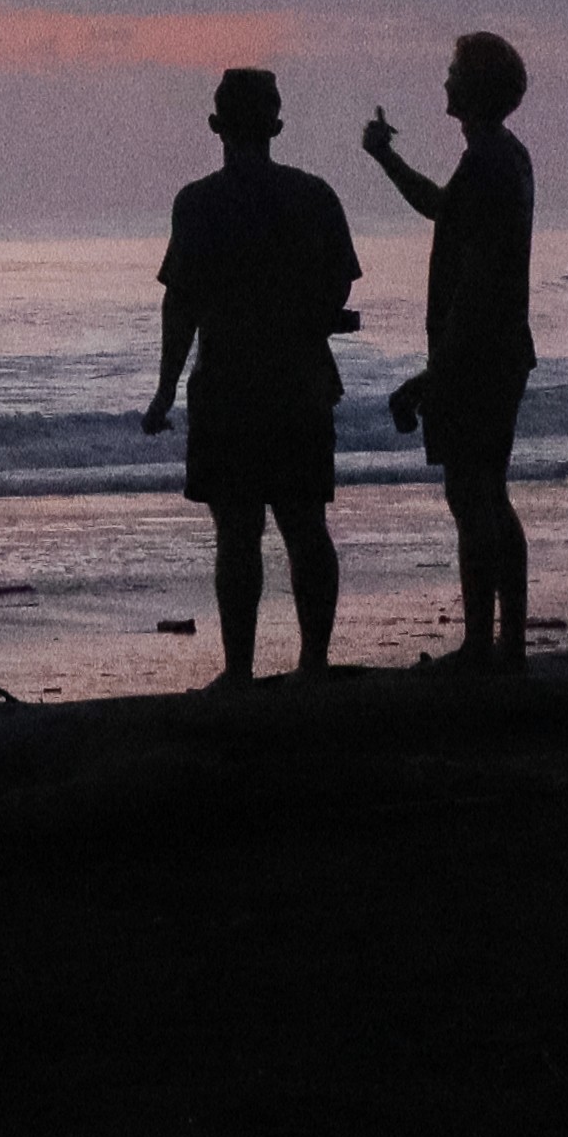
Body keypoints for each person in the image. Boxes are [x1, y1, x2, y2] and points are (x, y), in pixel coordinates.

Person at [141, 65, 361, 684]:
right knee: (305, 527)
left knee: (237, 533)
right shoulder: (314, 194)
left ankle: (240, 671)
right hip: (300, 382)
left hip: (228, 385)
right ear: (277, 126)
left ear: (216, 126)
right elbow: (339, 282)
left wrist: (162, 394)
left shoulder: (198, 203)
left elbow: (180, 304)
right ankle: (313, 662)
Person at [364, 30, 539, 670]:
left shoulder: (490, 161)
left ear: (475, 87)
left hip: (478, 354)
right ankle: (507, 643)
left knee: (472, 498)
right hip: (500, 350)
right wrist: (385, 160)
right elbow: (442, 209)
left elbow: (475, 280)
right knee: (490, 493)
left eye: (454, 70)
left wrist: (435, 374)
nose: (445, 80)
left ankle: (481, 644)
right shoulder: (501, 157)